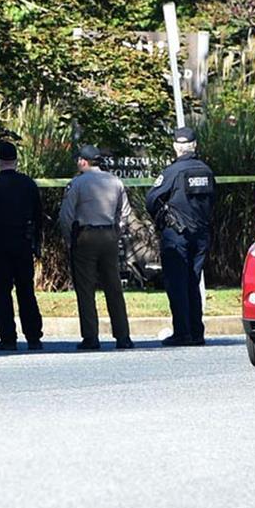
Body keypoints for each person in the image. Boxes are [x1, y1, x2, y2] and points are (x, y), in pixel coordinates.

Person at [146, 127, 216, 347]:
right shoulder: (206, 171)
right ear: (195, 146)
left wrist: (161, 218)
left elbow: (151, 199)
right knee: (192, 282)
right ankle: (197, 332)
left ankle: (182, 333)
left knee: (177, 283)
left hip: (176, 235)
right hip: (201, 234)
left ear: (176, 147)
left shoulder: (172, 172)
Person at [59, 145, 133, 350]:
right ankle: (123, 336)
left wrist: (69, 239)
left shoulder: (77, 183)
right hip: (108, 235)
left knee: (85, 288)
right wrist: (115, 232)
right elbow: (124, 213)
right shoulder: (115, 182)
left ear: (83, 161)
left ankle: (91, 337)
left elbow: (66, 215)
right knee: (114, 287)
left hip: (86, 236)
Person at [0, 142, 44, 351]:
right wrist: (36, 243)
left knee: (0, 293)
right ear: (16, 160)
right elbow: (38, 216)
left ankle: (7, 338)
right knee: (26, 291)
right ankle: (33, 337)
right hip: (22, 243)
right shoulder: (28, 184)